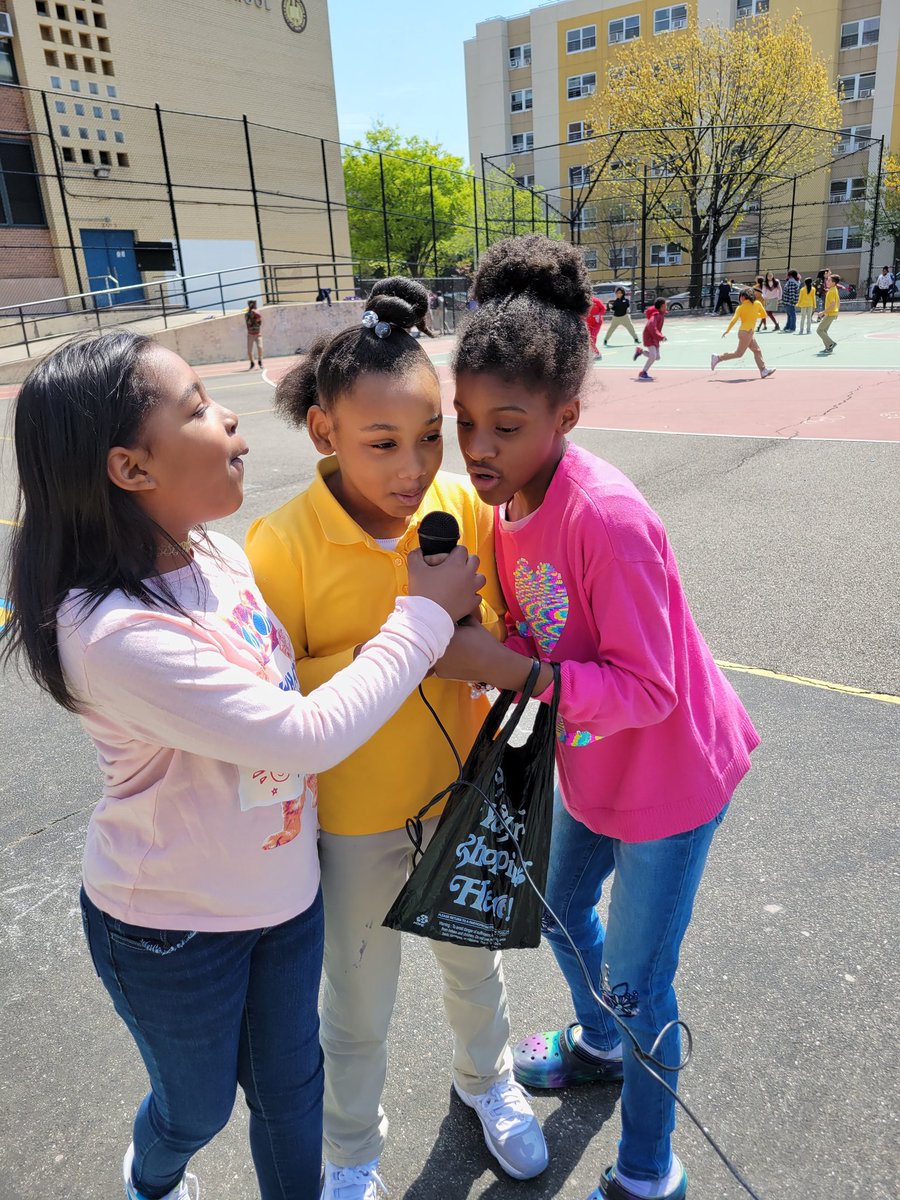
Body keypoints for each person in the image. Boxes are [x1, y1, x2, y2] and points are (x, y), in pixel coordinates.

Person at [1, 331, 484, 1200]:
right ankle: (153, 1177)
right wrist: (422, 619)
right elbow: (299, 737)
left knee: (291, 1091)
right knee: (196, 1111)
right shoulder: (112, 634)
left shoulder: (213, 554)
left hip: (283, 893)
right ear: (129, 468)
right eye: (195, 408)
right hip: (172, 926)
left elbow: (292, 686)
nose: (234, 421)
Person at [430, 233, 760, 1200]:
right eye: (466, 422)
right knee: (561, 908)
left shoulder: (606, 519)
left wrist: (512, 670)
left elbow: (650, 689)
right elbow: (523, 625)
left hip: (670, 777)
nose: (478, 449)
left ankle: (651, 1168)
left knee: (638, 976)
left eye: (508, 424)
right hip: (592, 765)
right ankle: (600, 1043)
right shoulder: (499, 505)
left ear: (566, 415)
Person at [245, 277, 548, 1200]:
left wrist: (478, 646)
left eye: (427, 437)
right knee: (357, 1009)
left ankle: (487, 1083)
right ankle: (353, 1154)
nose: (413, 467)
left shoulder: (457, 504)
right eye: (383, 443)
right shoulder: (280, 545)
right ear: (326, 433)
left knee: (475, 966)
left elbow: (499, 631)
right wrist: (408, 642)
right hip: (352, 826)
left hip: (460, 798)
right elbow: (277, 702)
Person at [710, 288, 776, 378]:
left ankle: (763, 370)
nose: (739, 298)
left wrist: (727, 330)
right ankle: (717, 358)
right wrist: (754, 315)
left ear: (743, 297)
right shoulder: (757, 304)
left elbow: (734, 319)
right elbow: (764, 315)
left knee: (757, 350)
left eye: (740, 296)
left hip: (745, 332)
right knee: (739, 354)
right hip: (747, 333)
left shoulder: (740, 307)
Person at [633, 297, 666, 381]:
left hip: (655, 337)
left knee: (657, 357)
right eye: (665, 305)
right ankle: (643, 373)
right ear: (662, 306)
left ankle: (640, 351)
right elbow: (651, 326)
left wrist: (659, 336)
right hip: (649, 336)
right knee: (653, 356)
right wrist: (660, 336)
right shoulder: (656, 315)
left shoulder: (660, 314)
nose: (666, 306)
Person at [817, 273, 841, 354]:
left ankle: (831, 343)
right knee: (824, 331)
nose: (827, 281)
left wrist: (822, 313)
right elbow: (838, 301)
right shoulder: (834, 289)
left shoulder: (831, 292)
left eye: (829, 280)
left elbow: (833, 304)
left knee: (819, 330)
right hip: (832, 313)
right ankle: (828, 348)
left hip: (830, 314)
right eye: (827, 280)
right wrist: (837, 312)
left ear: (834, 283)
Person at [584, 294, 606, 358]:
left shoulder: (596, 301)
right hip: (588, 324)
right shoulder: (584, 303)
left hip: (597, 323)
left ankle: (597, 353)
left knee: (592, 338)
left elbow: (603, 308)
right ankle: (593, 352)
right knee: (590, 339)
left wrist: (599, 314)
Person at [245, 299, 263, 369]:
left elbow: (260, 323)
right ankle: (252, 362)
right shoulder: (247, 315)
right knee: (249, 351)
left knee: (260, 347)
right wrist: (252, 315)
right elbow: (249, 324)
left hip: (258, 334)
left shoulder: (258, 313)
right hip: (250, 335)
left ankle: (260, 361)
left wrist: (257, 315)